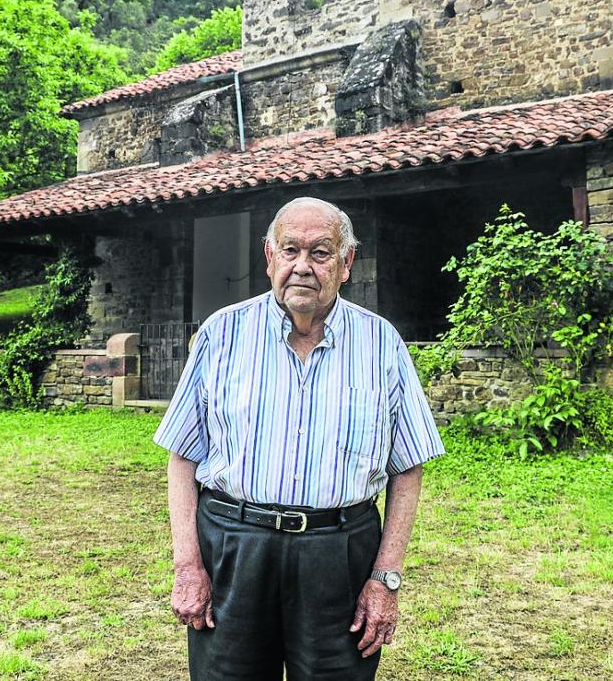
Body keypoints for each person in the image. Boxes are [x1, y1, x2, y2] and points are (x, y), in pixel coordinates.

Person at [154, 196, 445, 680]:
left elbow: (408, 466)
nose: (302, 267)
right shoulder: (221, 335)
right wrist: (188, 566)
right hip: (234, 546)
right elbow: (183, 457)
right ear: (269, 257)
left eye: (321, 252)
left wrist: (385, 578)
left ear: (346, 263)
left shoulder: (381, 343)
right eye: (290, 251)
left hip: (339, 554)